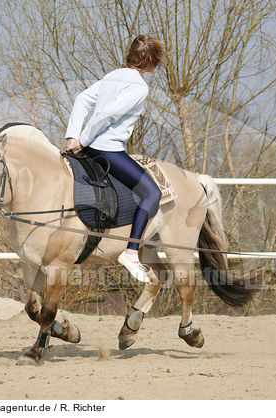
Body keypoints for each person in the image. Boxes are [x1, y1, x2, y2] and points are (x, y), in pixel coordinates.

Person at [64, 35, 165, 283]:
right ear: (150, 59)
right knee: (152, 193)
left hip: (91, 148)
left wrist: (72, 136)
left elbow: (82, 99)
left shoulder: (111, 76)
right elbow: (108, 114)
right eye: (158, 60)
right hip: (107, 150)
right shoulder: (140, 87)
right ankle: (131, 252)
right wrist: (83, 140)